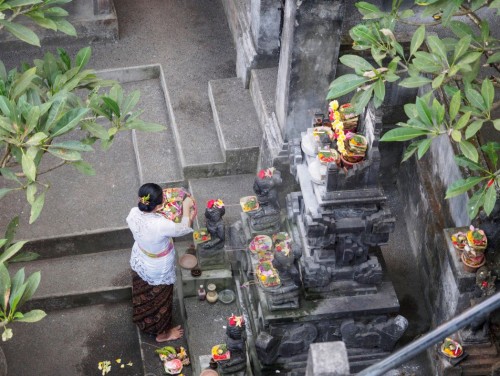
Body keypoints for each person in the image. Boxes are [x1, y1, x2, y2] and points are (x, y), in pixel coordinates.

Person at [126, 183, 196, 342]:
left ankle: (142, 317)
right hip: (158, 265)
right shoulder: (161, 225)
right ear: (157, 206)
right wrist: (185, 206)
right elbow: (184, 228)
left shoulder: (133, 214)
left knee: (144, 289)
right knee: (161, 298)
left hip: (140, 256)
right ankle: (162, 334)